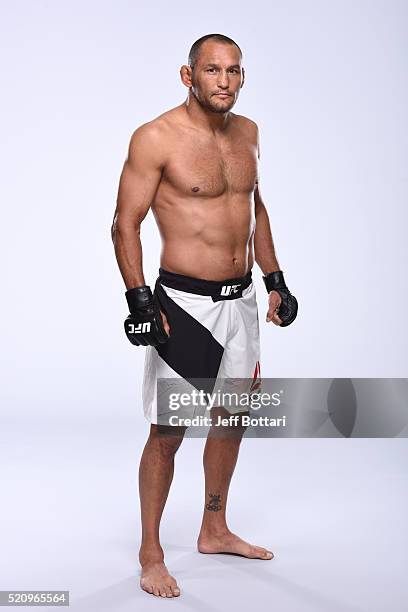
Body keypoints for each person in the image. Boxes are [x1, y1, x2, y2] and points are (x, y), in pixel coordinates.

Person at [111, 33, 298, 599]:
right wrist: (139, 299)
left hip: (241, 303)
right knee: (168, 431)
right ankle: (151, 552)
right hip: (185, 307)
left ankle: (214, 528)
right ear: (188, 76)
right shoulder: (155, 138)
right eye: (213, 70)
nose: (225, 81)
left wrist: (275, 279)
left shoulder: (249, 135)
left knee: (231, 418)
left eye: (234, 71)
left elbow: (253, 209)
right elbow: (125, 222)